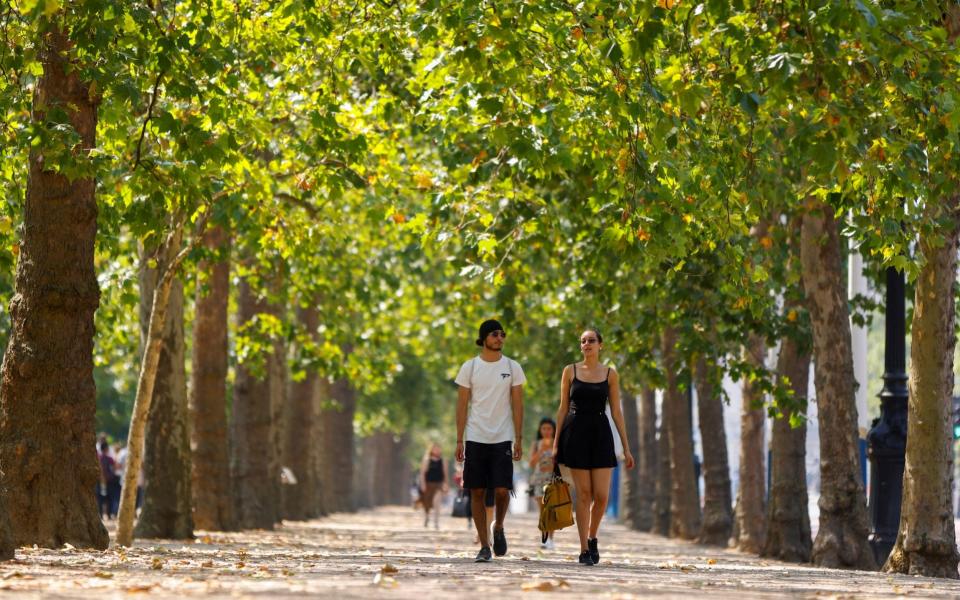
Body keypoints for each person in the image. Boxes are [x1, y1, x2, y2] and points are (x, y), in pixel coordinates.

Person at [554, 327, 634, 566]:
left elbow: (617, 412)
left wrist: (626, 448)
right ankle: (583, 548)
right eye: (582, 341)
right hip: (575, 432)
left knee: (601, 496)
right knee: (584, 493)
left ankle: (593, 536)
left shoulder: (611, 374)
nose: (586, 344)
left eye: (591, 341)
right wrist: (556, 444)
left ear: (600, 345)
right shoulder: (570, 371)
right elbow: (562, 408)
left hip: (600, 433)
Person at [455, 318, 525, 562]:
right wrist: (459, 440)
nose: (500, 338)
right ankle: (484, 545)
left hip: (503, 437)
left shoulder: (513, 367)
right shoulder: (470, 367)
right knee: (476, 491)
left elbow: (518, 404)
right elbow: (462, 405)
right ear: (484, 338)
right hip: (475, 436)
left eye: (502, 334)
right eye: (495, 334)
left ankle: (499, 526)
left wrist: (518, 437)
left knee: (503, 491)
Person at [528, 417, 557, 549]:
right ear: (540, 430)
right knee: (542, 510)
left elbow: (562, 463)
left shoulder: (557, 443)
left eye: (549, 428)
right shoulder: (536, 444)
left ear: (553, 430)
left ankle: (551, 538)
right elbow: (531, 463)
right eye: (544, 428)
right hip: (539, 479)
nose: (546, 431)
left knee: (551, 509)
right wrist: (541, 450)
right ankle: (544, 538)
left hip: (553, 479)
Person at [419, 442, 449, 529]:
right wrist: (423, 484)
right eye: (435, 448)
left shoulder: (443, 460)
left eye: (438, 448)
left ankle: (436, 522)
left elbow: (445, 474)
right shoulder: (427, 460)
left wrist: (446, 484)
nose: (437, 450)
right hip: (428, 484)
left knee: (437, 503)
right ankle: (427, 518)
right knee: (427, 504)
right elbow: (422, 473)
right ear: (431, 449)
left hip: (438, 485)